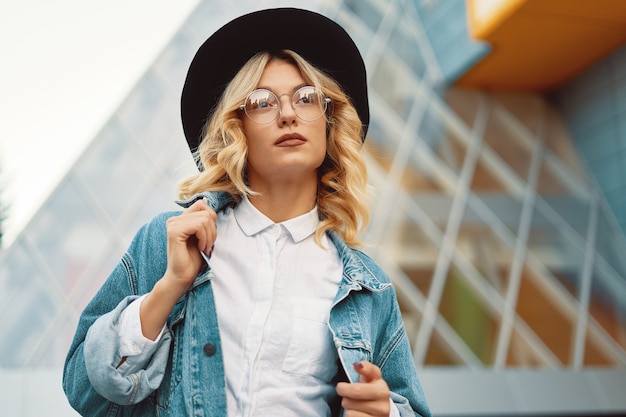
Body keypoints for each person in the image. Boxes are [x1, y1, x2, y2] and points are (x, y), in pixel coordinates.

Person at [62, 7, 431, 417]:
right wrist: (170, 287)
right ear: (236, 127)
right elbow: (84, 389)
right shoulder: (168, 242)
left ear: (328, 124)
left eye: (307, 98)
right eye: (262, 102)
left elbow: (408, 407)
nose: (288, 113)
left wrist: (387, 413)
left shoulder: (369, 290)